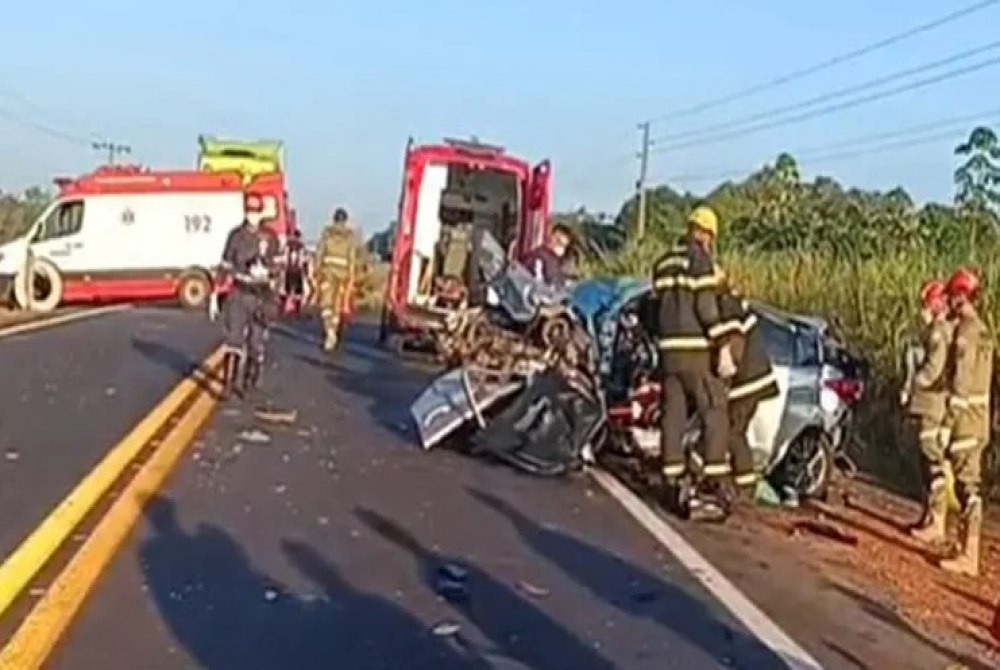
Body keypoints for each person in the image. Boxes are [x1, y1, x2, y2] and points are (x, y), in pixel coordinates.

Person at [652, 205, 733, 509]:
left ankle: (671, 478)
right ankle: (714, 479)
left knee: (673, 414)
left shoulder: (663, 263)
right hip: (695, 351)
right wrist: (722, 344)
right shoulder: (701, 262)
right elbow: (705, 308)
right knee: (714, 408)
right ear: (707, 235)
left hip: (668, 353)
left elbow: (655, 306)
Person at [939, 267, 993, 576]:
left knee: (967, 485)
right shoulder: (983, 330)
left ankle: (969, 555)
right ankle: (963, 547)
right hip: (978, 419)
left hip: (966, 422)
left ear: (961, 296)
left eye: (952, 296)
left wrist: (948, 424)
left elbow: (961, 383)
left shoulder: (966, 333)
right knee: (965, 482)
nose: (949, 302)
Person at [210, 193, 281, 399]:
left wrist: (269, 275)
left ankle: (251, 378)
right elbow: (225, 265)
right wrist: (215, 294)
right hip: (239, 293)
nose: (252, 216)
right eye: (249, 211)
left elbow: (278, 268)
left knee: (256, 343)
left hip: (261, 294)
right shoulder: (235, 236)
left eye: (256, 212)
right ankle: (228, 383)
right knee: (233, 340)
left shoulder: (270, 237)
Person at [903, 280, 955, 543]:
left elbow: (933, 370)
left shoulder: (938, 332)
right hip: (932, 403)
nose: (922, 310)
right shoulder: (942, 330)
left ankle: (937, 521)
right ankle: (930, 516)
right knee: (926, 461)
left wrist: (914, 383)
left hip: (932, 404)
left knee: (932, 459)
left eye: (926, 304)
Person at [715, 285, 779, 496]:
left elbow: (735, 343)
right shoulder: (736, 305)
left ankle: (745, 486)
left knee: (733, 432)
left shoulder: (728, 307)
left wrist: (727, 371)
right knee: (735, 431)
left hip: (748, 383)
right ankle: (742, 482)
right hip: (754, 379)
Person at [314, 207, 358, 352]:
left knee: (326, 305)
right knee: (338, 306)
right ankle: (334, 327)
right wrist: (351, 277)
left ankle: (329, 331)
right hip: (343, 275)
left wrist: (316, 271)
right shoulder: (350, 236)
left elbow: (319, 253)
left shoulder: (327, 233)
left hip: (327, 273)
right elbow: (352, 258)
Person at [523, 225, 572, 289]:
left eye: (564, 245)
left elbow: (560, 282)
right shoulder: (538, 257)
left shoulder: (557, 261)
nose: (561, 247)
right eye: (559, 242)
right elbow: (538, 284)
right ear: (551, 237)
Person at [282, 229, 308, 317]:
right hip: (297, 270)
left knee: (288, 289)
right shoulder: (301, 246)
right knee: (297, 291)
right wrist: (305, 270)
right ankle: (296, 309)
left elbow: (284, 257)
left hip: (289, 270)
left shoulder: (288, 245)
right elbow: (303, 259)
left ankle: (287, 308)